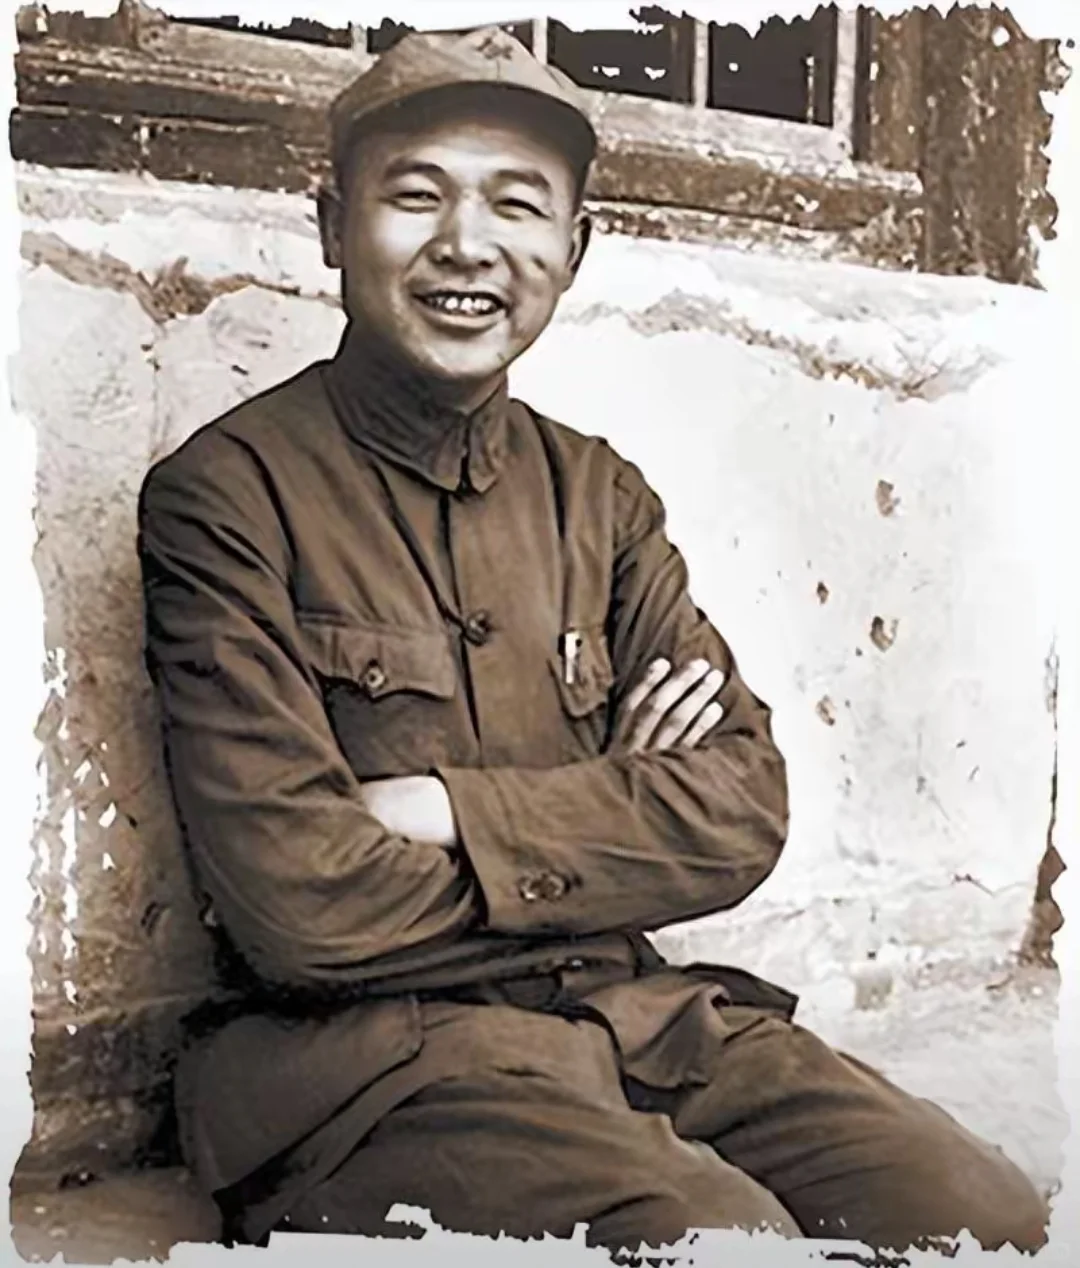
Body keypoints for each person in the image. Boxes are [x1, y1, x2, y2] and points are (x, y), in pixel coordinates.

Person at [138, 25, 1049, 1258]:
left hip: (638, 1018)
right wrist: (614, 814)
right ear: (331, 224)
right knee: (722, 1238)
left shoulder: (600, 498)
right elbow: (300, 901)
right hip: (370, 1071)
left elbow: (740, 808)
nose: (468, 244)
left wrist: (443, 809)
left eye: (518, 205)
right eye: (416, 195)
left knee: (979, 1212)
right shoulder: (229, 495)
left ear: (574, 247)